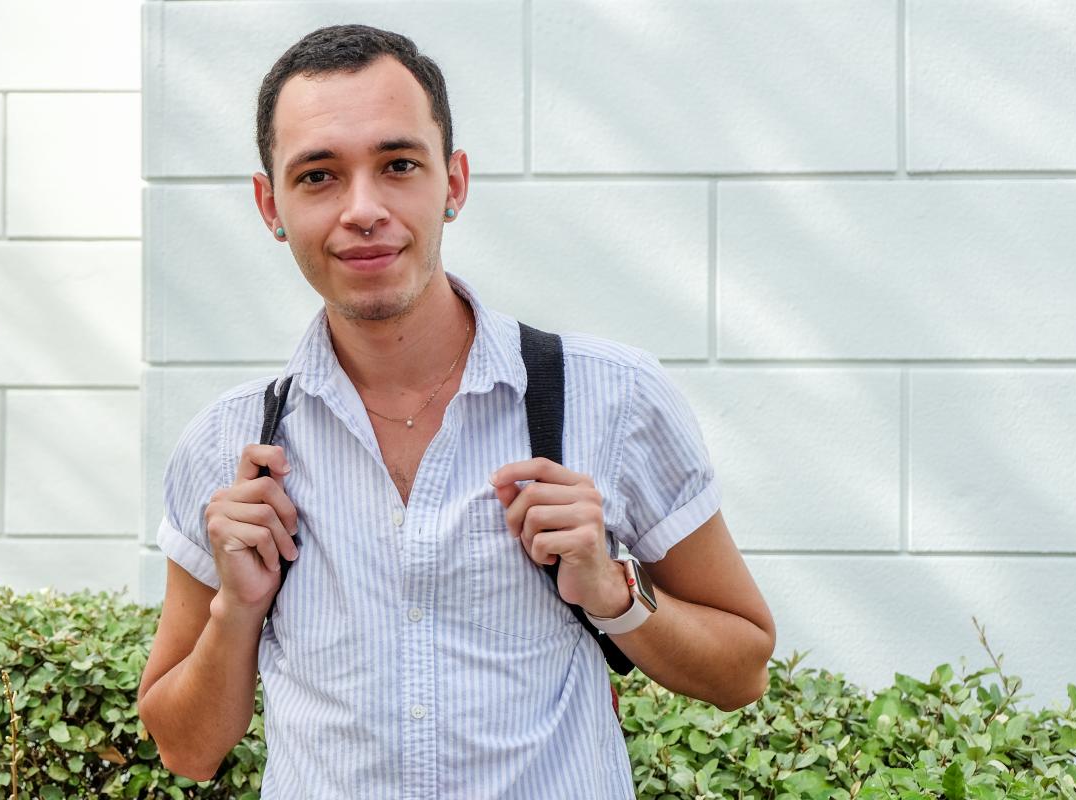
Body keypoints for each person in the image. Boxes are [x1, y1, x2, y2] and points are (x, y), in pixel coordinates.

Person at [136, 24, 776, 799]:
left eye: (398, 165)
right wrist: (238, 609)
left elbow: (742, 670)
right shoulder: (227, 445)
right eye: (318, 177)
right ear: (271, 204)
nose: (363, 209)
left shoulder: (613, 397)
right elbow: (185, 750)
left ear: (455, 183)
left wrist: (613, 590)